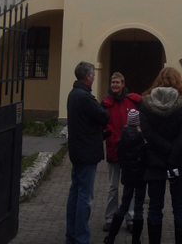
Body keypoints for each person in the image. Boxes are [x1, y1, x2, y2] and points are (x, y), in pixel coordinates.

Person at [139, 67, 182, 244]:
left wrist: (164, 149)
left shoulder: (146, 103)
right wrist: (172, 153)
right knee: (180, 206)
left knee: (155, 207)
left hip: (154, 160)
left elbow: (147, 132)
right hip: (178, 161)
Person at [66, 61, 110, 244]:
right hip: (86, 152)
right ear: (87, 77)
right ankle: (81, 238)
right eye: (92, 75)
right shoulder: (85, 97)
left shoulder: (73, 94)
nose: (94, 78)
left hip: (77, 151)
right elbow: (104, 116)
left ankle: (72, 235)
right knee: (85, 197)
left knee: (75, 194)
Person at [102, 72, 141, 233]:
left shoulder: (132, 101)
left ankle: (130, 217)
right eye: (113, 83)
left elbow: (142, 119)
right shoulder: (106, 103)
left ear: (123, 84)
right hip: (113, 148)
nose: (115, 85)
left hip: (129, 150)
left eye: (117, 82)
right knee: (113, 186)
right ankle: (110, 218)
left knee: (129, 186)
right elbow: (100, 123)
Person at [103, 109, 147, 244]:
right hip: (141, 178)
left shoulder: (122, 138)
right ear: (139, 122)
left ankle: (111, 238)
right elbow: (146, 158)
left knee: (123, 205)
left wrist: (125, 169)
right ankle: (136, 240)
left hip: (128, 176)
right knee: (138, 208)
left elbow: (120, 159)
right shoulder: (142, 139)